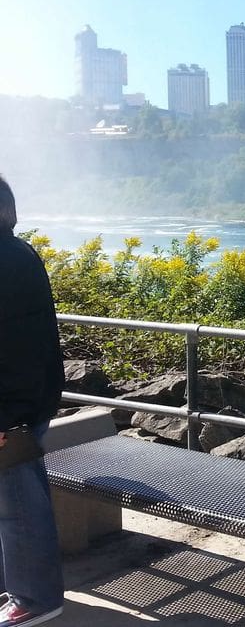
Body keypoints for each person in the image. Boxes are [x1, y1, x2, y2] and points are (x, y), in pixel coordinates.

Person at [0, 175, 65, 627]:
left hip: (12, 411)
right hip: (17, 405)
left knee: (19, 506)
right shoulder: (14, 253)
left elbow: (19, 348)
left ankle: (36, 600)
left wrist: (7, 417)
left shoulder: (7, 261)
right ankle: (18, 589)